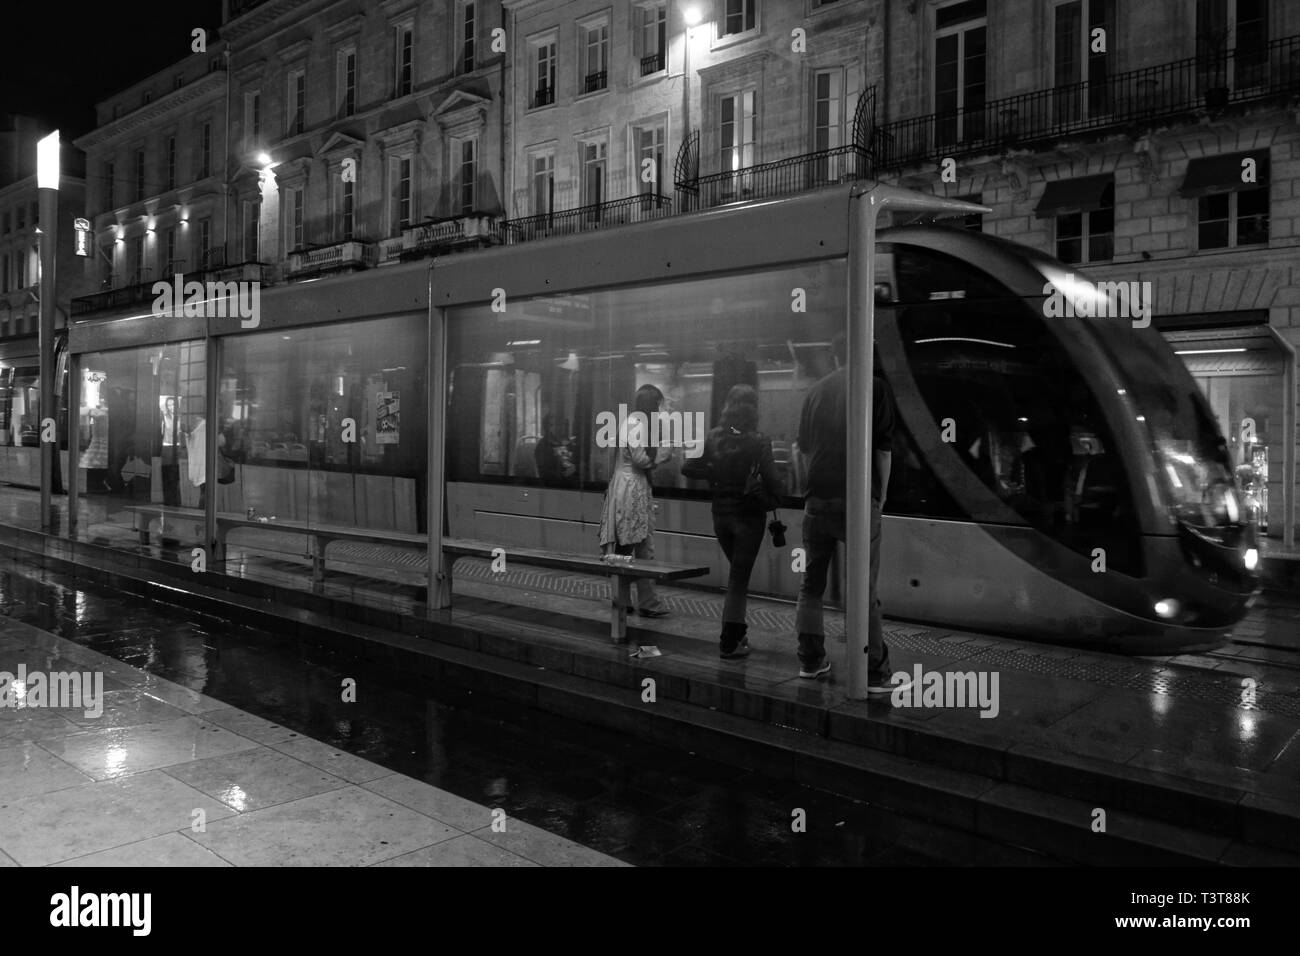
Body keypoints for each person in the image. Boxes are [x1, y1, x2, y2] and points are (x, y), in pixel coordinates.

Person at [793, 333, 909, 693]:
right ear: (864, 354)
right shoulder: (874, 388)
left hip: (817, 499)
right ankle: (874, 671)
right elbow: (884, 450)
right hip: (859, 500)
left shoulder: (815, 391)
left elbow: (802, 450)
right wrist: (882, 494)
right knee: (865, 589)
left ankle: (811, 661)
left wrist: (806, 491)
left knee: (811, 586)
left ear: (835, 357)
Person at [682, 384, 780, 659]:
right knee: (738, 579)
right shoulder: (759, 440)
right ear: (753, 409)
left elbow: (687, 467)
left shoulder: (714, 436)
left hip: (721, 518)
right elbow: (775, 483)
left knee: (737, 576)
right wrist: (771, 496)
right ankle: (730, 641)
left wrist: (713, 472)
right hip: (748, 518)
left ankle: (739, 633)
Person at [597, 384, 671, 617]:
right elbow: (640, 459)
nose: (660, 410)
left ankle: (627, 600)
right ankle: (644, 602)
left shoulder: (632, 422)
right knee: (638, 546)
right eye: (658, 405)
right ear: (651, 405)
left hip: (628, 486)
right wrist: (663, 454)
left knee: (629, 546)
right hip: (632, 488)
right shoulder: (637, 425)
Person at [535, 414, 578, 487]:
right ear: (547, 427)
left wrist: (575, 468)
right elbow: (544, 473)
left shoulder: (568, 443)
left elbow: (577, 462)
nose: (559, 428)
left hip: (574, 484)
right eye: (553, 425)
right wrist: (564, 473)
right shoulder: (543, 446)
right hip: (554, 487)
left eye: (562, 424)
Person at [160, 396, 186, 506]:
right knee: (168, 474)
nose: (171, 407)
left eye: (173, 405)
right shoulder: (164, 417)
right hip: (167, 447)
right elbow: (161, 432)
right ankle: (169, 500)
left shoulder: (181, 417)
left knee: (177, 474)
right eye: (169, 405)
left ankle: (176, 499)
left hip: (178, 447)